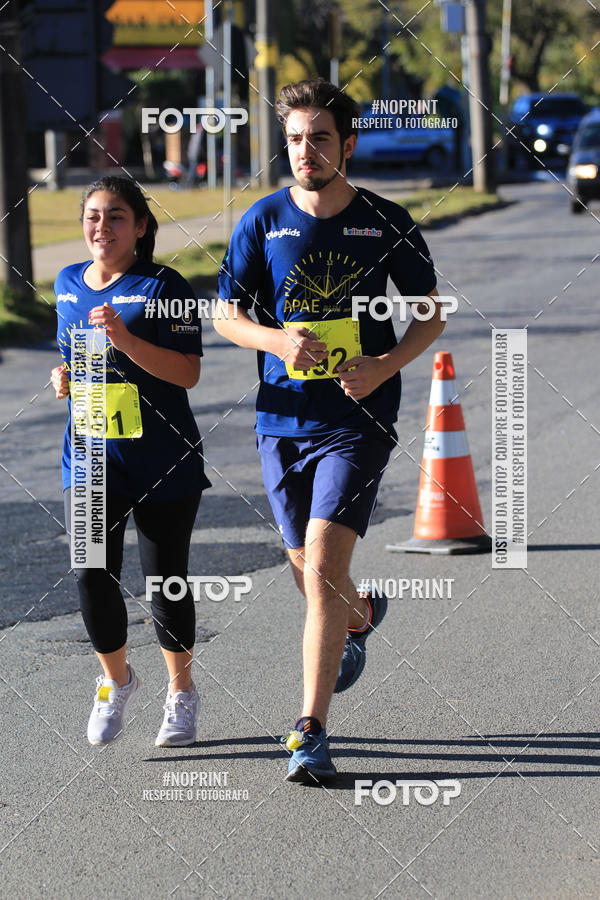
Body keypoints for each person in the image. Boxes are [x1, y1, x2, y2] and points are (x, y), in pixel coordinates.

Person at [215, 78, 445, 784]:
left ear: (347, 144)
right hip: (282, 419)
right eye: (293, 138)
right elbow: (225, 315)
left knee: (318, 567)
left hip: (360, 417)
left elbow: (431, 313)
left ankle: (310, 732)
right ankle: (362, 611)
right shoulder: (261, 222)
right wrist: (277, 342)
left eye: (319, 137)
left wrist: (384, 365)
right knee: (311, 576)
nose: (304, 150)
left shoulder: (386, 221)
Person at [51, 176, 210, 748]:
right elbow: (69, 354)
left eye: (116, 216)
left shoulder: (166, 285)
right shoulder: (68, 283)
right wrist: (64, 378)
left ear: (141, 226)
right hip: (92, 458)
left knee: (165, 579)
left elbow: (188, 372)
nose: (102, 227)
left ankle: (181, 693)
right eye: (93, 216)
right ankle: (116, 681)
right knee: (92, 575)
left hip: (162, 460)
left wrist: (126, 340)